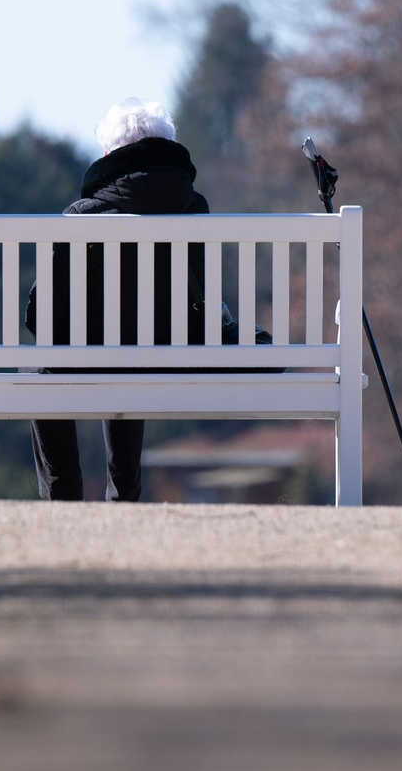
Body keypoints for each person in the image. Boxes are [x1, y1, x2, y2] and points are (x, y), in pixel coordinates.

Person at [24, 97, 270, 502]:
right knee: (134, 344)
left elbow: (43, 316)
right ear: (165, 147)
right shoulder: (194, 208)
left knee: (39, 365)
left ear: (108, 156)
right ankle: (125, 496)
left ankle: (63, 499)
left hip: (97, 354)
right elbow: (204, 295)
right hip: (178, 352)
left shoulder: (82, 215)